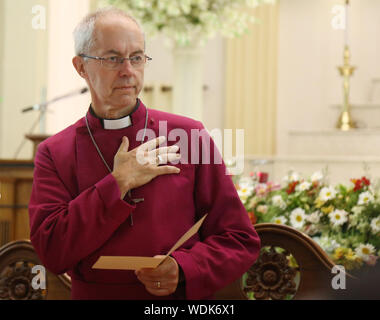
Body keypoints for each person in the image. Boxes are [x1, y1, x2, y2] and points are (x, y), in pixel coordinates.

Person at [28, 7, 260, 300]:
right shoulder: (54, 152)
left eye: (136, 57)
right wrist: (118, 182)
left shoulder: (189, 136)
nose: (128, 70)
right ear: (81, 67)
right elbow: (52, 252)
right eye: (113, 58)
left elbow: (239, 239)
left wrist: (185, 268)